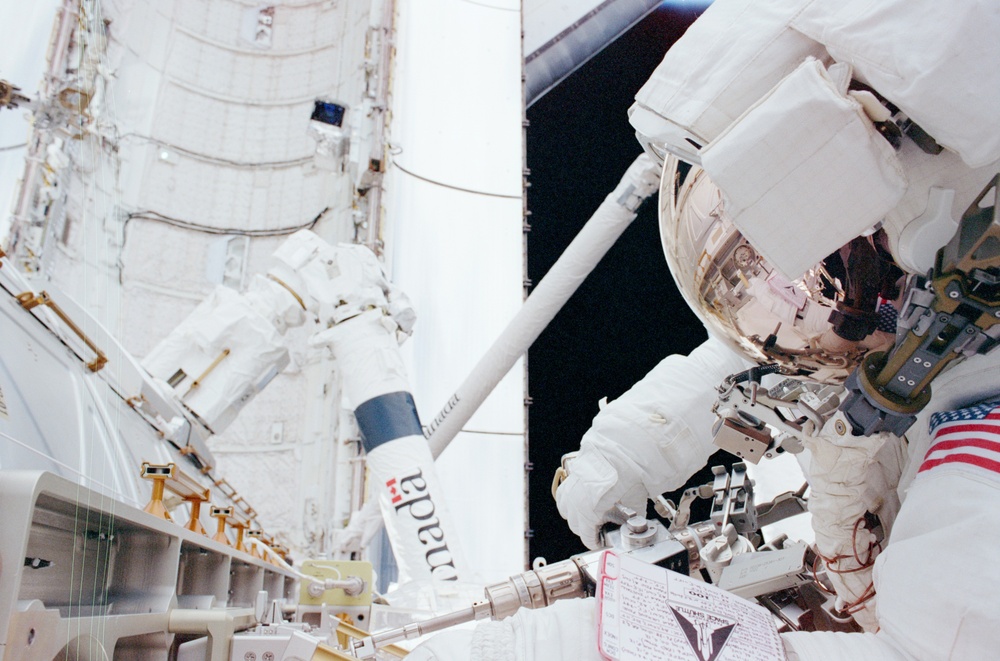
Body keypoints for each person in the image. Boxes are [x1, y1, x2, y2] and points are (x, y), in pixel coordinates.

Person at [411, 0, 1000, 658]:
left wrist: (583, 643)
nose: (786, 289)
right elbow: (766, 356)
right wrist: (621, 454)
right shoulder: (923, 338)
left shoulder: (976, 482)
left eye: (827, 265)